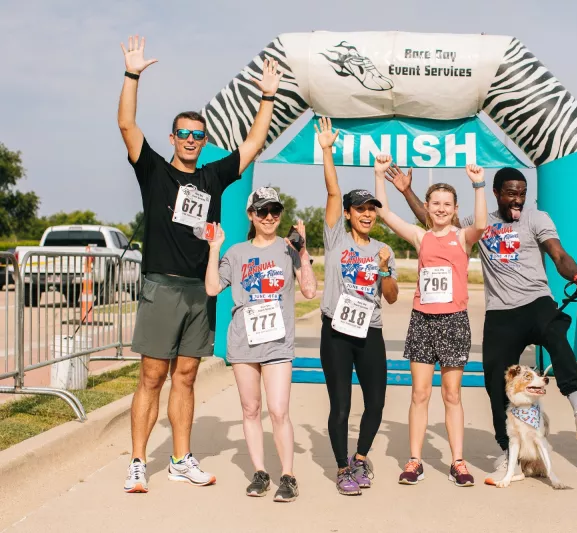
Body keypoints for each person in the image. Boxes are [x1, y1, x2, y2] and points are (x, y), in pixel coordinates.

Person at [117, 35, 282, 493]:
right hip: (161, 287)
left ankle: (180, 459)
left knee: (186, 376)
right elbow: (127, 124)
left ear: (203, 141)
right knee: (152, 375)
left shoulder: (212, 176)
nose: (190, 140)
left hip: (199, 290)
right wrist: (132, 74)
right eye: (183, 134)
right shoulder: (152, 169)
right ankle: (136, 462)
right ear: (172, 138)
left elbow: (252, 143)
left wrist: (267, 96)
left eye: (197, 135)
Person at [384, 165, 577, 487]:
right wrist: (406, 191)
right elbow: (434, 221)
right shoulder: (480, 222)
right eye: (511, 194)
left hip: (535, 301)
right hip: (501, 312)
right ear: (497, 194)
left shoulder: (536, 218)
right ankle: (507, 451)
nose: (517, 199)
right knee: (493, 378)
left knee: (556, 333)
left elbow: (558, 254)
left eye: (522, 194)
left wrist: (575, 274)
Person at [375, 155, 487, 487]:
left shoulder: (464, 237)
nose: (440, 208)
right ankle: (414, 460)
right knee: (419, 393)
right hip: (423, 321)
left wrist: (479, 184)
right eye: (435, 203)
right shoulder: (420, 237)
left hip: (454, 321)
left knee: (452, 394)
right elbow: (384, 212)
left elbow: (481, 223)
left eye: (447, 204)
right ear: (426, 206)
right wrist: (380, 176)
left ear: (454, 209)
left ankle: (458, 461)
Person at [204, 187, 316, 501]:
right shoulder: (236, 252)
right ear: (251, 215)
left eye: (275, 211)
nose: (269, 217)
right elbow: (213, 288)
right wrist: (215, 248)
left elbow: (309, 290)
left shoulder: (288, 249)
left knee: (279, 410)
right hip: (243, 343)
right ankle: (260, 472)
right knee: (251, 409)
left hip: (278, 343)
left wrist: (303, 251)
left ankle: (288, 476)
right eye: (262, 211)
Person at [315, 117, 399, 496]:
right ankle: (341, 468)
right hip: (337, 331)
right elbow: (333, 193)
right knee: (341, 406)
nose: (367, 213)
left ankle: (361, 457)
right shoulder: (335, 240)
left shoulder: (384, 250)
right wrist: (328, 150)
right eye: (360, 208)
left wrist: (384, 270)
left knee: (377, 403)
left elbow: (393, 296)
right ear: (348, 213)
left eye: (372, 209)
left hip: (371, 331)